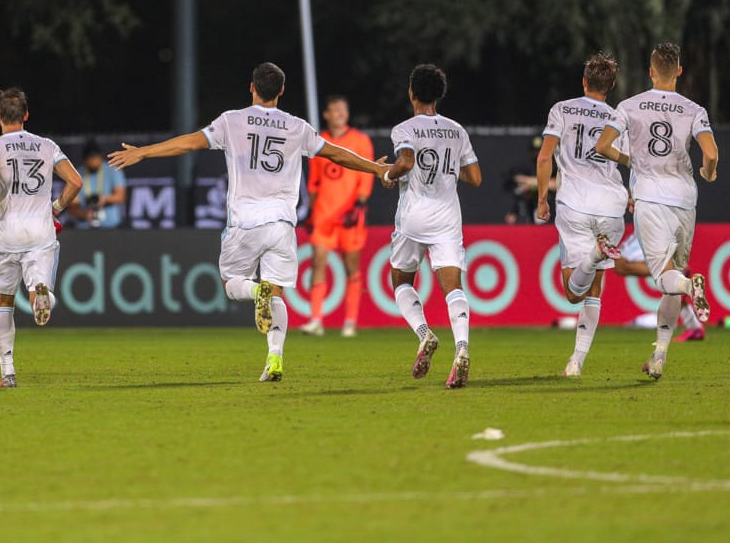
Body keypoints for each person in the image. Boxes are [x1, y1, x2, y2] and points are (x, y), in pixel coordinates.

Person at [108, 63, 389, 382]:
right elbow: (336, 154)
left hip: (245, 222)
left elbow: (188, 143)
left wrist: (144, 152)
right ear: (282, 91)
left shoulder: (232, 121)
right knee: (277, 293)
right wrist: (375, 169)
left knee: (232, 285)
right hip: (282, 224)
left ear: (251, 87)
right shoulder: (296, 127)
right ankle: (275, 358)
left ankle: (258, 294)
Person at [595, 42, 718, 379]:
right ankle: (659, 358)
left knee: (667, 278)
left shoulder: (629, 106)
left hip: (650, 199)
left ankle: (690, 287)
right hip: (685, 200)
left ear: (651, 71)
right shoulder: (695, 109)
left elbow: (603, 145)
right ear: (679, 71)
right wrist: (709, 172)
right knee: (671, 279)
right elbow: (710, 153)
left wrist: (627, 159)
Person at [0, 88, 82, 388]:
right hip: (40, 232)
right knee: (40, 291)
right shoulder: (47, 145)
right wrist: (54, 208)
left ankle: (8, 373)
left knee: (3, 303)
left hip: (7, 234)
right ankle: (43, 295)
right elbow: (75, 182)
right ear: (26, 115)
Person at [381, 64, 482, 389]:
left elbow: (406, 161)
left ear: (411, 93)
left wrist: (388, 174)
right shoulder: (456, 130)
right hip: (448, 218)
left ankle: (424, 333)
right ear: (440, 95)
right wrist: (450, 168)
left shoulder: (404, 128)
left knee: (401, 282)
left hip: (414, 215)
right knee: (454, 288)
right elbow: (476, 178)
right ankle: (463, 346)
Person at [536, 52, 628, 376]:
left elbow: (545, 156)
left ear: (584, 81)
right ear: (612, 85)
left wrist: (542, 199)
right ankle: (576, 361)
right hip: (611, 208)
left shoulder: (561, 109)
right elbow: (629, 162)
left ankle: (592, 256)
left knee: (573, 293)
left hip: (575, 204)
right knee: (595, 290)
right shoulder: (620, 118)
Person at [300, 95, 374, 338]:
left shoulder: (361, 141)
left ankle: (350, 322)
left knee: (351, 267)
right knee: (318, 263)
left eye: (344, 109)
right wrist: (311, 212)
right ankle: (316, 320)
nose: (341, 113)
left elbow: (367, 176)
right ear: (327, 115)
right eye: (336, 110)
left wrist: (359, 206)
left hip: (350, 215)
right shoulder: (319, 142)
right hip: (324, 214)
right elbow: (314, 181)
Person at [614, 232, 707, 340]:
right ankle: (695, 328)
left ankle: (673, 273)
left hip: (651, 226)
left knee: (619, 263)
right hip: (654, 224)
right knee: (620, 265)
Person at [68, 140, 127, 229]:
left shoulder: (113, 170)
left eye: (96, 157)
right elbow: (73, 205)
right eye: (91, 158)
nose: (94, 161)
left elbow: (120, 196)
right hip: (85, 228)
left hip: (111, 226)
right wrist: (84, 214)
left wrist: (104, 199)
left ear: (101, 157)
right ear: (85, 160)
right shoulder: (77, 174)